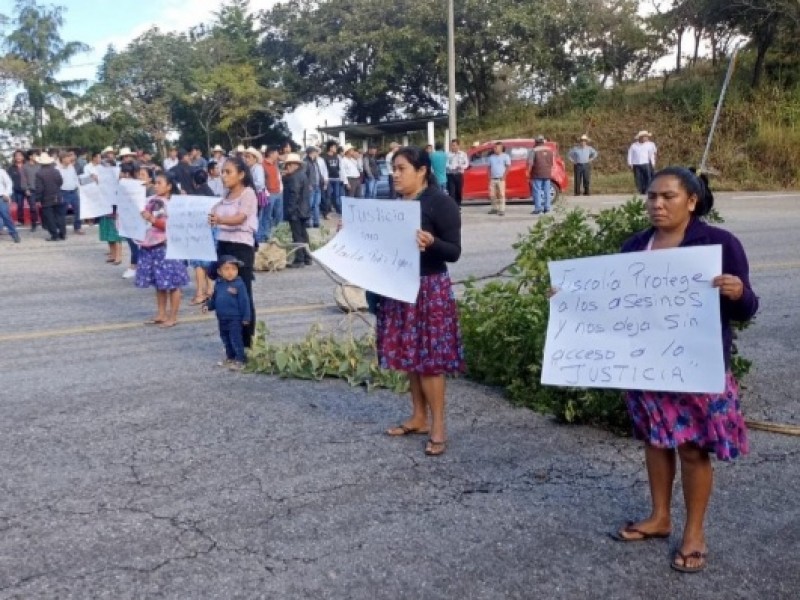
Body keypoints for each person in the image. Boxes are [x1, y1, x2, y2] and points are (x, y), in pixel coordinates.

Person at [608, 167, 758, 574]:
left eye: (668, 197)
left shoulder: (719, 243)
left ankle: (694, 532)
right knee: (656, 441)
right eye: (652, 196)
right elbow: (614, 302)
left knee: (692, 449)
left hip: (697, 364)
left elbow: (747, 310)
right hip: (647, 364)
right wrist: (571, 296)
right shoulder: (635, 246)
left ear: (691, 200)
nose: (657, 204)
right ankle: (659, 517)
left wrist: (738, 292)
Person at [379, 146, 464, 456]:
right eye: (394, 169)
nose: (395, 174)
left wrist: (432, 243)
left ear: (422, 171)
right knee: (410, 358)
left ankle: (438, 424)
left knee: (429, 361)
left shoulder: (440, 203)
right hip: (399, 287)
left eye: (401, 168)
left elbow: (454, 251)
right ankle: (418, 417)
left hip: (429, 289)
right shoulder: (395, 205)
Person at [208, 156, 258, 348]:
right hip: (224, 245)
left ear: (241, 174)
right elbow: (210, 213)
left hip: (241, 248)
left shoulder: (248, 194)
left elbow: (240, 218)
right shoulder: (224, 197)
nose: (224, 176)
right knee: (225, 294)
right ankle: (232, 343)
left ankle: (247, 342)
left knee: (242, 294)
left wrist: (219, 220)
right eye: (222, 172)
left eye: (228, 172)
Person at [136, 172, 189, 328]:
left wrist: (152, 219)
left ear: (169, 186)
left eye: (160, 183)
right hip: (151, 245)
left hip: (167, 246)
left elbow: (171, 226)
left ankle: (173, 316)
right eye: (156, 183)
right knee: (159, 283)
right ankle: (161, 314)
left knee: (173, 283)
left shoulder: (174, 204)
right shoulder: (151, 201)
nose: (156, 185)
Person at [203, 255, 252, 371]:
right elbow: (215, 300)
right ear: (219, 271)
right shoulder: (219, 284)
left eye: (234, 269)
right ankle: (230, 357)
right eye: (227, 269)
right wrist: (208, 306)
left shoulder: (239, 285)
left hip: (235, 318)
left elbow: (245, 301)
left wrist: (246, 317)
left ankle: (240, 359)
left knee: (235, 338)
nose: (231, 272)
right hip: (222, 318)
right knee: (225, 338)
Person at [282, 152, 312, 268]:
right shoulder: (302, 175)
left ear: (295, 165)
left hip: (296, 211)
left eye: (289, 165)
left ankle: (299, 259)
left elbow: (294, 195)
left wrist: (290, 210)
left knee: (297, 235)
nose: (287, 167)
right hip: (303, 210)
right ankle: (307, 257)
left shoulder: (294, 177)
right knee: (303, 234)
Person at [35, 153, 65, 241]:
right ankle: (62, 234)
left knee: (49, 217)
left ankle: (54, 235)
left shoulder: (39, 173)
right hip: (57, 195)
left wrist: (37, 199)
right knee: (59, 216)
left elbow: (39, 188)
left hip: (46, 198)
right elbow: (60, 182)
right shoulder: (56, 171)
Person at [258, 146, 283, 243]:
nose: (278, 154)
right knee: (267, 216)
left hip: (278, 192)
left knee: (278, 215)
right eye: (276, 152)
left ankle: (276, 233)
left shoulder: (275, 163)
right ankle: (265, 235)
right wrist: (266, 192)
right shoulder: (262, 165)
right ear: (271, 153)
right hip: (269, 193)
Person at [57, 151, 83, 235]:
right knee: (62, 212)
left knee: (78, 210)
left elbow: (75, 178)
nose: (70, 159)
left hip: (73, 192)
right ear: (63, 159)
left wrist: (78, 188)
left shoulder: (71, 167)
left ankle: (77, 227)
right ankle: (61, 229)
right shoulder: (57, 169)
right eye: (68, 157)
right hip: (63, 192)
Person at [528, 135, 554, 215]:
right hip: (547, 173)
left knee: (537, 191)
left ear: (536, 142)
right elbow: (551, 163)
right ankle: (547, 208)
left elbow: (530, 163)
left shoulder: (534, 150)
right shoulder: (550, 150)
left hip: (537, 173)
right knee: (547, 191)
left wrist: (528, 172)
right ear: (543, 142)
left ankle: (538, 208)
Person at [628, 130, 657, 195]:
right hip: (636, 163)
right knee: (638, 178)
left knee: (648, 177)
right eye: (644, 137)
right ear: (640, 137)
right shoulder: (634, 145)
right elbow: (630, 154)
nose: (646, 138)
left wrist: (653, 163)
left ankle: (648, 189)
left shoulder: (650, 144)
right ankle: (641, 190)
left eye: (647, 137)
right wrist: (630, 163)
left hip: (646, 163)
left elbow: (653, 154)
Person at [487, 141, 511, 216]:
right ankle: (494, 208)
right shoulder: (491, 157)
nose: (495, 149)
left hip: (501, 179)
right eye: (494, 147)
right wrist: (489, 176)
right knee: (492, 194)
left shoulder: (505, 156)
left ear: (501, 148)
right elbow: (488, 167)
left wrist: (504, 176)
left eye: (496, 147)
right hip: (493, 178)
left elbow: (508, 167)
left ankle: (501, 209)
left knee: (501, 194)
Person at [304, 146, 325, 227]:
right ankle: (308, 222)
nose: (317, 153)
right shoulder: (306, 162)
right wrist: (308, 185)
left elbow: (318, 173)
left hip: (317, 185)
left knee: (316, 204)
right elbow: (304, 175)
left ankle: (316, 222)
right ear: (311, 153)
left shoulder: (315, 162)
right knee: (309, 204)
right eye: (315, 152)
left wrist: (322, 181)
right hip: (310, 187)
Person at [8, 150, 28, 227]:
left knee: (21, 205)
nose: (18, 157)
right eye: (16, 156)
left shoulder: (26, 166)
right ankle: (15, 220)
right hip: (14, 190)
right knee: (15, 205)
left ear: (23, 157)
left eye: (20, 155)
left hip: (25, 189)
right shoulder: (11, 168)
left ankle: (21, 220)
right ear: (14, 157)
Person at [0, 167, 21, 243]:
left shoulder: (1, 171)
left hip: (1, 197)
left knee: (6, 216)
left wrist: (7, 194)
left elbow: (9, 183)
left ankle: (14, 234)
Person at [446, 139, 468, 207]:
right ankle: (453, 207)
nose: (453, 147)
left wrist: (461, 166)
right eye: (452, 145)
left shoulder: (463, 154)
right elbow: (446, 164)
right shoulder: (448, 154)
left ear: (458, 145)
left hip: (459, 175)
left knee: (459, 191)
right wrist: (451, 167)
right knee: (451, 192)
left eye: (454, 145)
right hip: (450, 175)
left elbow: (466, 164)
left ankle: (458, 206)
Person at [22, 150, 40, 231]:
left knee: (45, 207)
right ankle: (34, 224)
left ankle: (46, 223)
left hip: (41, 189)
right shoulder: (25, 167)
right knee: (33, 208)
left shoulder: (40, 165)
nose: (36, 157)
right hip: (31, 190)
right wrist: (26, 189)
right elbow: (23, 179)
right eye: (35, 155)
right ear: (30, 157)